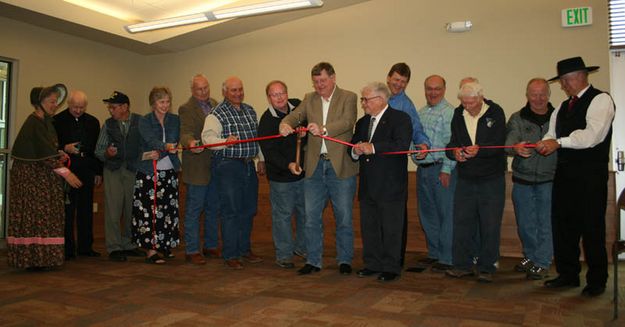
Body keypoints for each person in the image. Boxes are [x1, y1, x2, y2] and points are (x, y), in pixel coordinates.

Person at [536, 56, 614, 297]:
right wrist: (541, 144)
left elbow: (592, 136)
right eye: (562, 81)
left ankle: (597, 281)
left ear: (580, 77)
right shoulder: (560, 108)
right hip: (564, 175)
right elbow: (551, 134)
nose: (563, 85)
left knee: (592, 228)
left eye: (565, 80)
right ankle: (568, 274)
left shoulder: (601, 100)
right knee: (563, 226)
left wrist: (558, 142)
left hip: (590, 176)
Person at [279, 62, 358, 275]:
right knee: (311, 217)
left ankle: (344, 260)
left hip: (340, 167)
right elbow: (294, 116)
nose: (319, 85)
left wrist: (323, 129)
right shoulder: (309, 98)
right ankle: (313, 261)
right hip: (314, 167)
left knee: (343, 217)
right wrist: (285, 124)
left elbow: (348, 122)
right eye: (315, 82)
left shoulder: (348, 97)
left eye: (323, 80)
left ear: (333, 77)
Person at [8, 84, 82, 269]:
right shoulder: (33, 122)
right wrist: (67, 173)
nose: (55, 105)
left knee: (45, 215)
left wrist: (59, 153)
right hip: (30, 179)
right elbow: (42, 153)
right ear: (39, 103)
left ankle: (43, 258)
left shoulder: (45, 122)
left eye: (56, 101)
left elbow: (47, 149)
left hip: (42, 177)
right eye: (51, 101)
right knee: (34, 215)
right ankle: (33, 258)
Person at [444, 82, 506, 283]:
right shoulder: (458, 113)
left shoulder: (495, 112)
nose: (467, 107)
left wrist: (481, 150)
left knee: (490, 224)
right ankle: (461, 265)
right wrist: (454, 153)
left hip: (492, 178)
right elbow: (452, 142)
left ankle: (487, 267)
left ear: (481, 98)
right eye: (464, 103)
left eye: (471, 103)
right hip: (465, 178)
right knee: (461, 223)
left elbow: (500, 144)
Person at [351, 82, 412, 282]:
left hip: (391, 184)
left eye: (366, 99)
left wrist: (374, 148)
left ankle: (391, 267)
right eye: (363, 99)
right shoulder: (362, 122)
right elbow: (352, 146)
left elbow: (402, 145)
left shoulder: (400, 119)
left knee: (392, 228)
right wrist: (355, 150)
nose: (363, 104)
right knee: (370, 227)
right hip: (368, 184)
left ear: (380, 99)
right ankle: (372, 263)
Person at [201, 77, 264, 269]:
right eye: (233, 90)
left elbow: (257, 137)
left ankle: (244, 250)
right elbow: (207, 139)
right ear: (225, 92)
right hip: (227, 166)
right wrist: (224, 141)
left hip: (248, 166)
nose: (238, 93)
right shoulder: (216, 113)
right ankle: (231, 254)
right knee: (231, 212)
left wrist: (261, 158)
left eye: (240, 89)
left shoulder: (250, 110)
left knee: (248, 210)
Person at [505, 78, 557, 280]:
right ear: (527, 95)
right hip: (522, 180)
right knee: (525, 223)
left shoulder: (557, 118)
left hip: (549, 180)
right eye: (534, 94)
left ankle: (542, 261)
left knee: (545, 223)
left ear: (548, 95)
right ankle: (531, 256)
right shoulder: (517, 118)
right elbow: (509, 144)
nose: (538, 98)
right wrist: (515, 148)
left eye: (542, 93)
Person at [258, 80, 306, 269]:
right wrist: (289, 165)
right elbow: (270, 153)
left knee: (305, 213)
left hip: (302, 174)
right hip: (280, 177)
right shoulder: (266, 121)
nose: (279, 97)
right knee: (283, 216)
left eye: (282, 93)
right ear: (269, 98)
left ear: (287, 93)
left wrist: (304, 134)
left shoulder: (299, 108)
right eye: (274, 95)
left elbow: (311, 127)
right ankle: (284, 255)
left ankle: (302, 248)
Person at [386, 63, 430, 267]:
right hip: (374, 166)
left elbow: (416, 128)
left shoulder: (406, 104)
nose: (399, 85)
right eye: (396, 80)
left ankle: (397, 258)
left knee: (396, 215)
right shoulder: (377, 97)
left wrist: (423, 143)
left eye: (403, 82)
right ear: (388, 78)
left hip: (395, 166)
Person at [411, 75, 456, 272]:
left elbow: (451, 144)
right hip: (424, 170)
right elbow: (414, 142)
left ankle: (447, 257)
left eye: (437, 88)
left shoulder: (450, 113)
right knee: (427, 214)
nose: (433, 92)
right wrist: (417, 157)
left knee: (446, 214)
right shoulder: (420, 113)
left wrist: (446, 169)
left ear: (444, 89)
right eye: (429, 88)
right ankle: (435, 253)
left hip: (441, 169)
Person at [132, 87, 180, 264]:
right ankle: (151, 250)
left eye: (167, 102)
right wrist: (166, 147)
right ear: (153, 103)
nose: (165, 105)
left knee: (167, 210)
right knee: (149, 212)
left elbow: (174, 138)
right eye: (161, 102)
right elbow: (150, 140)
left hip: (169, 170)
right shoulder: (145, 120)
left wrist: (166, 148)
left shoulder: (175, 120)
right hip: (148, 172)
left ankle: (165, 245)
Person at [95, 91, 145, 262]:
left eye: (113, 107)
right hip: (113, 170)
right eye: (110, 107)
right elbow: (98, 151)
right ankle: (114, 247)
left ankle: (129, 243)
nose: (110, 110)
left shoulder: (140, 121)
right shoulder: (108, 125)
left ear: (125, 107)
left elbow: (145, 145)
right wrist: (107, 153)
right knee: (113, 210)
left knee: (132, 209)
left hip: (133, 169)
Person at [53, 90, 102, 259]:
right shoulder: (57, 121)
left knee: (86, 209)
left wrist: (98, 171)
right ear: (68, 104)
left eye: (81, 107)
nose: (78, 110)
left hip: (87, 168)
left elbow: (97, 150)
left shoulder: (93, 122)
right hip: (67, 169)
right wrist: (65, 148)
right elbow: (52, 146)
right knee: (67, 210)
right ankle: (67, 249)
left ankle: (85, 247)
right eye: (75, 107)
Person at [179, 74, 220, 265]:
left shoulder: (216, 103)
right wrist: (191, 142)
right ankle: (192, 249)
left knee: (213, 208)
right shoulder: (186, 108)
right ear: (192, 90)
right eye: (199, 89)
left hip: (215, 165)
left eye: (206, 88)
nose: (203, 92)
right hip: (196, 166)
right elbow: (185, 133)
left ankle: (211, 246)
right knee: (194, 210)